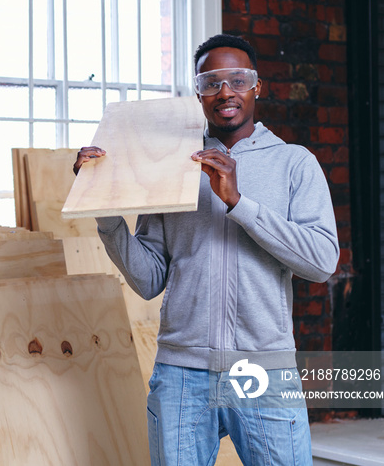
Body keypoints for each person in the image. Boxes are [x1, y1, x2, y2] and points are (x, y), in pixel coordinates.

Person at [73, 34, 339, 465]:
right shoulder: (172, 167)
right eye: (211, 82)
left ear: (257, 87)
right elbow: (148, 280)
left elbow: (321, 262)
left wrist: (239, 203)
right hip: (181, 375)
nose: (225, 92)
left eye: (238, 79)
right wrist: (102, 204)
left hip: (264, 372)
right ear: (198, 92)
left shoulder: (295, 163)